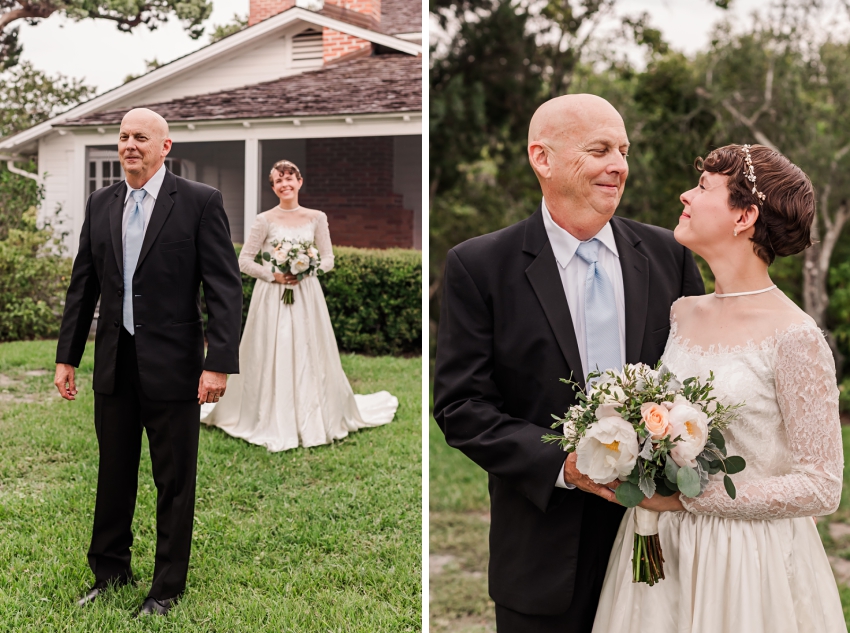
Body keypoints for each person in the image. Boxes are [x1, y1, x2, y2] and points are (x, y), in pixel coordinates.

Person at [433, 94, 705, 633]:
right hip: (542, 552)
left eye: (623, 150)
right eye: (600, 149)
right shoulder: (480, 265)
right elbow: (461, 406)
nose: (619, 165)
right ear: (543, 158)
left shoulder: (668, 256)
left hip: (663, 541)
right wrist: (565, 467)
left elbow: (699, 382)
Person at [592, 144, 845, 632]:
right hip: (661, 546)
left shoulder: (795, 337)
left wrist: (691, 498)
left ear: (745, 216)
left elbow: (822, 485)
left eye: (705, 187)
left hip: (745, 564)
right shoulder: (682, 311)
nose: (686, 195)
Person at [54, 108, 243, 617]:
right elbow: (83, 285)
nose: (130, 145)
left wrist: (218, 362)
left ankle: (166, 589)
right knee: (113, 474)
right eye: (123, 137)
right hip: (114, 363)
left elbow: (225, 289)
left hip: (176, 366)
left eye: (141, 137)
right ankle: (110, 572)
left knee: (174, 481)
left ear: (166, 146)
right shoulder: (100, 203)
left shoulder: (200, 203)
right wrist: (66, 357)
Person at [201, 160, 398, 451]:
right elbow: (243, 261)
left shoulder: (317, 217)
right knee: (271, 350)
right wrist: (275, 275)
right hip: (272, 297)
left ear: (300, 182)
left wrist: (307, 269)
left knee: (309, 350)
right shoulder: (264, 220)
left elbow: (329, 259)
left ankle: (312, 414)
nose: (285, 184)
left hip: (306, 295)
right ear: (273, 187)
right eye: (279, 181)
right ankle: (269, 415)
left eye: (290, 179)